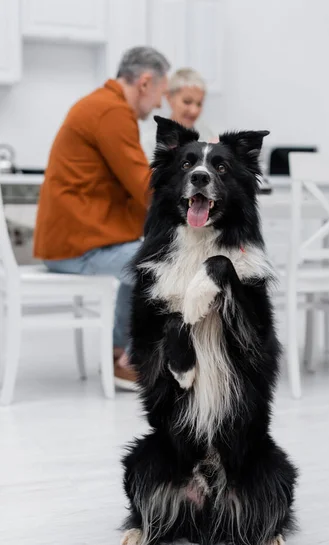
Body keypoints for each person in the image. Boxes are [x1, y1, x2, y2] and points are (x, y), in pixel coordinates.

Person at [33, 46, 170, 390]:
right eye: (160, 94)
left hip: (70, 242)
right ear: (144, 82)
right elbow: (143, 184)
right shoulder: (111, 112)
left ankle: (120, 353)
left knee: (145, 261)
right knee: (155, 264)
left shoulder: (100, 105)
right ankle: (126, 359)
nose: (158, 104)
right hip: (78, 248)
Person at [141, 68, 216, 161]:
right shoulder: (148, 143)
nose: (194, 111)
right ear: (169, 98)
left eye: (199, 104)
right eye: (187, 102)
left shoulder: (208, 135)